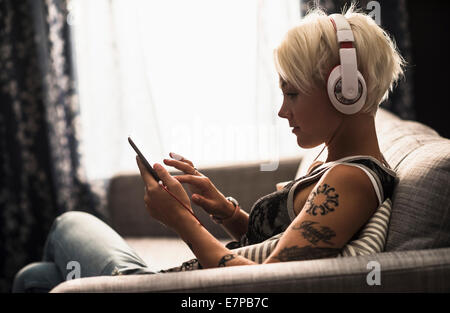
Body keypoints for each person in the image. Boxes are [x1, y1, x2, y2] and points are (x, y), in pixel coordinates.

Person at [12, 4, 405, 292]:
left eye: (292, 93)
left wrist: (181, 219)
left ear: (346, 90)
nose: (282, 110)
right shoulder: (337, 163)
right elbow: (279, 246)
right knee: (34, 279)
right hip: (187, 278)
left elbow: (269, 284)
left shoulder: (352, 179)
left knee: (69, 223)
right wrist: (225, 209)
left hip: (174, 289)